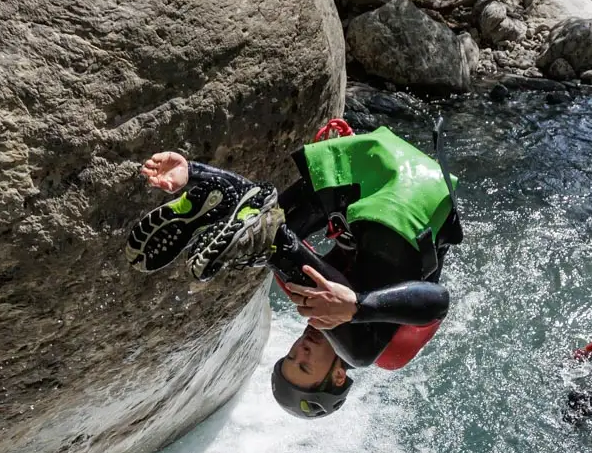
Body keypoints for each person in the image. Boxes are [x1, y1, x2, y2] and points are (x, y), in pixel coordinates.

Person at [128, 120, 460, 419]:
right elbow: (439, 301)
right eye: (304, 365)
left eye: (290, 356)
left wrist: (195, 171)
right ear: (337, 376)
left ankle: (220, 192)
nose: (299, 349)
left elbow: (274, 215)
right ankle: (268, 234)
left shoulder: (309, 297)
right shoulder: (388, 352)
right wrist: (358, 308)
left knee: (267, 241)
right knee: (359, 348)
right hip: (409, 199)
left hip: (361, 171)